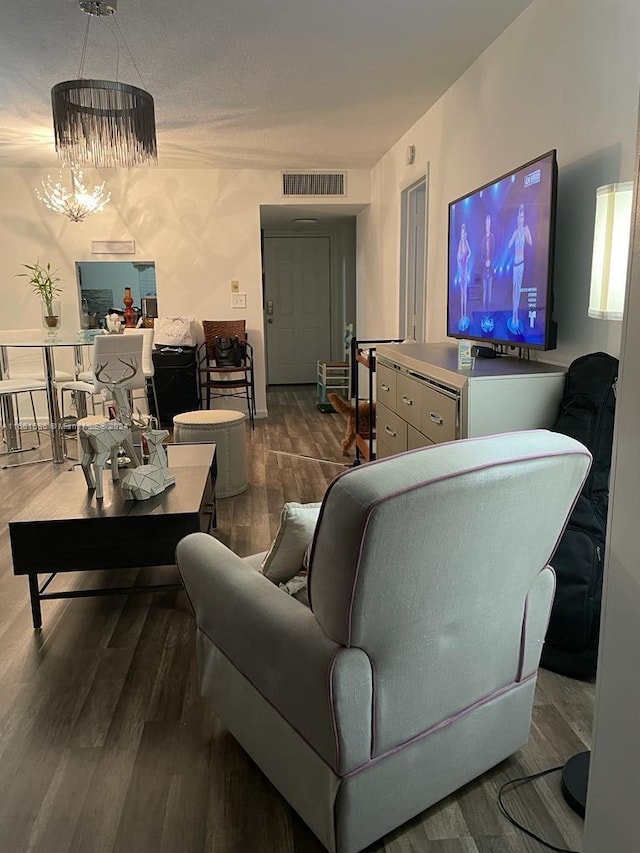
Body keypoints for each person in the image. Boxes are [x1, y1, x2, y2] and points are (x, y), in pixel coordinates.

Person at [507, 203, 532, 333]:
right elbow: (509, 245)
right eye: (519, 217)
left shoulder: (525, 231)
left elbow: (530, 242)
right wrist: (514, 236)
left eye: (522, 216)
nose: (520, 219)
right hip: (514, 265)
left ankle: (516, 318)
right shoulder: (516, 232)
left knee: (518, 291)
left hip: (521, 265)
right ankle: (514, 317)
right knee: (514, 291)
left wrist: (528, 232)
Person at [456, 223, 471, 329]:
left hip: (465, 270)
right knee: (462, 294)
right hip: (461, 271)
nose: (462, 235)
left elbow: (470, 253)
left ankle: (465, 315)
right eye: (461, 234)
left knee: (465, 294)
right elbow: (457, 256)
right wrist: (459, 264)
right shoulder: (460, 243)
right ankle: (461, 316)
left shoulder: (466, 242)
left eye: (463, 233)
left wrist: (467, 259)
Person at [481, 214, 495, 309]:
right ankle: (483, 310)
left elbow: (494, 252)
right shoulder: (483, 239)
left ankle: (489, 309)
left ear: (490, 224)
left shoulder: (492, 238)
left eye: (488, 223)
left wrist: (491, 262)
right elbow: (481, 255)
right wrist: (484, 262)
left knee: (489, 290)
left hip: (490, 269)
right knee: (484, 291)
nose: (487, 225)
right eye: (486, 223)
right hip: (483, 269)